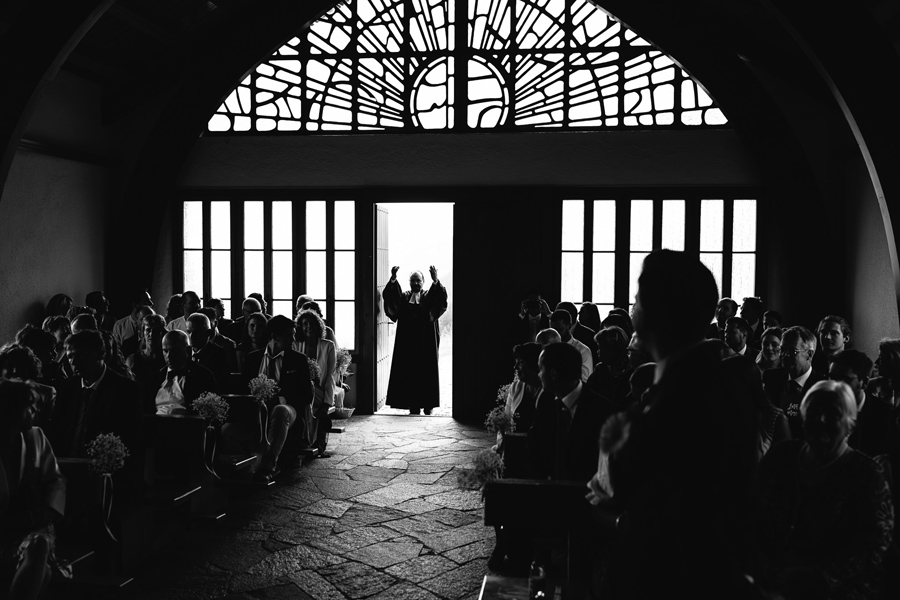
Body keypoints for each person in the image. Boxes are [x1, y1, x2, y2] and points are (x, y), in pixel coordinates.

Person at [596, 250, 757, 599]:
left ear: (655, 312)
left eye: (637, 298)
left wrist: (616, 513)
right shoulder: (701, 378)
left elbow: (685, 513)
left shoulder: (691, 394)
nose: (633, 305)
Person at [756, 380, 894, 600]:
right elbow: (750, 511)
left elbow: (874, 546)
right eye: (813, 412)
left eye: (832, 414)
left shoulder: (867, 475)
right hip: (768, 580)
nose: (820, 420)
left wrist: (817, 577)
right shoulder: (781, 456)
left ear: (850, 424)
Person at [0, 379, 66, 600]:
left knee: (39, 544)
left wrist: (49, 511)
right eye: (29, 407)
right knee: (44, 573)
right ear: (11, 408)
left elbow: (56, 480)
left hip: (30, 527)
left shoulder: (36, 437)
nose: (35, 413)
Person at [49, 331, 143, 483]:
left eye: (80, 355)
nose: (74, 362)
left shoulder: (125, 390)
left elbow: (130, 438)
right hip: (65, 468)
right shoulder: (67, 387)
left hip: (105, 471)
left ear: (100, 354)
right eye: (70, 356)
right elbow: (57, 430)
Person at [241, 315, 314, 482]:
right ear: (275, 336)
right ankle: (249, 464)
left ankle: (268, 466)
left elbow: (306, 396)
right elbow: (243, 389)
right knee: (229, 429)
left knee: (280, 410)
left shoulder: (298, 360)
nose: (294, 340)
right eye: (290, 335)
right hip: (257, 409)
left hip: (288, 408)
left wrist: (281, 397)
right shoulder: (252, 359)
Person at [528, 342, 614, 482]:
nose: (539, 375)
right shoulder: (546, 400)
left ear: (553, 374)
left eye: (540, 369)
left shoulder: (602, 410)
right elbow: (534, 445)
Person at [383, 265, 448, 415]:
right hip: (408, 345)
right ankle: (413, 405)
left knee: (427, 373)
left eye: (418, 280)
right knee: (409, 374)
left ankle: (428, 405)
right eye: (413, 281)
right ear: (409, 282)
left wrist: (436, 280)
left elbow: (440, 299)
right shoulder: (405, 297)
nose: (416, 283)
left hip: (427, 344)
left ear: (423, 282)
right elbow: (391, 298)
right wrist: (393, 279)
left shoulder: (428, 296)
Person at [763, 326, 825, 439]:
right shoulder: (771, 378)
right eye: (782, 350)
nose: (784, 355)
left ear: (809, 354)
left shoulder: (822, 386)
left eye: (792, 351)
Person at [830, 349, 892, 458]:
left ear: (865, 383)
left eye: (845, 379)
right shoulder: (821, 410)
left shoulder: (887, 415)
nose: (835, 385)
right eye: (832, 378)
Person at [293, 309, 336, 457]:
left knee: (310, 397)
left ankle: (310, 441)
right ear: (300, 326)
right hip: (300, 390)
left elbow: (330, 376)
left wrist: (327, 403)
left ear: (318, 326)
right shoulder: (295, 345)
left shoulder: (328, 346)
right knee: (303, 397)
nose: (308, 327)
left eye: (312, 324)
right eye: (305, 324)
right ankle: (305, 442)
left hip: (319, 391)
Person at [155, 330, 218, 415]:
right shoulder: (156, 377)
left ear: (188, 351)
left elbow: (211, 413)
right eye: (165, 351)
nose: (169, 356)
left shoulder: (203, 376)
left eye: (174, 351)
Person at [127, 314, 167, 414]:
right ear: (143, 333)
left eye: (156, 331)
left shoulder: (167, 359)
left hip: (162, 408)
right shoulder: (133, 360)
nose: (151, 334)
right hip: (138, 408)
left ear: (162, 333)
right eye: (148, 330)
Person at [586, 325, 632, 407]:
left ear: (612, 349)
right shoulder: (600, 369)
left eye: (600, 348)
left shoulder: (631, 372)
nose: (598, 352)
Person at [503, 342, 544, 432]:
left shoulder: (548, 390)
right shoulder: (516, 387)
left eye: (521, 363)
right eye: (516, 362)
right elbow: (505, 421)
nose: (515, 367)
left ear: (535, 364)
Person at [186, 312, 230, 390]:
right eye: (189, 332)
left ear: (208, 333)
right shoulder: (184, 353)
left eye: (196, 332)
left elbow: (220, 383)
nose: (191, 336)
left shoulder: (219, 354)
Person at [549, 309, 593, 381]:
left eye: (559, 329)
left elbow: (585, 380)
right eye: (553, 330)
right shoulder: (548, 348)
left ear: (569, 326)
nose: (556, 333)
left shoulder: (583, 351)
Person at [200, 307, 238, 375]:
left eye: (207, 324)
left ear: (215, 323)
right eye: (201, 324)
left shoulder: (228, 345)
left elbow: (231, 371)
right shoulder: (194, 343)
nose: (204, 327)